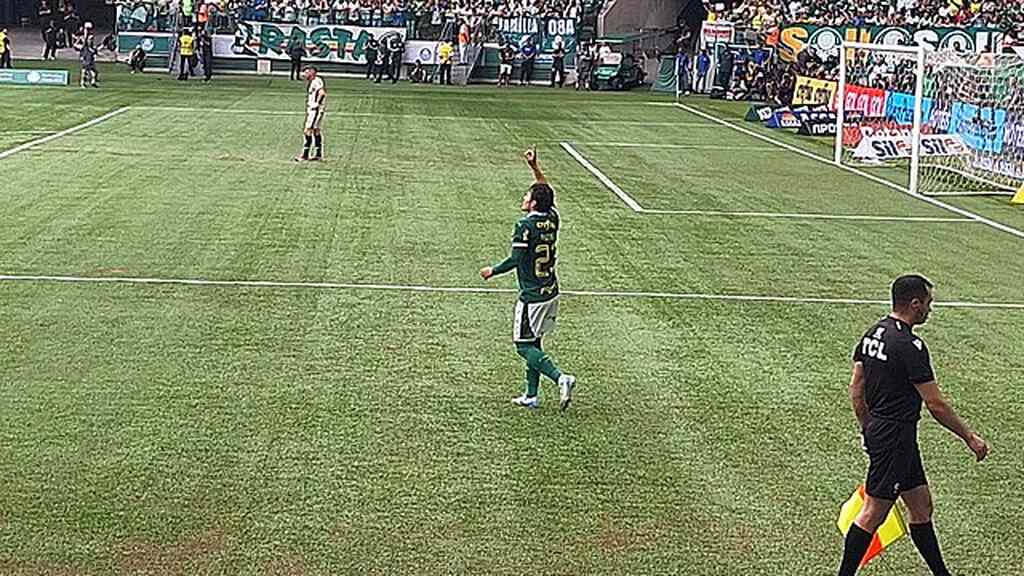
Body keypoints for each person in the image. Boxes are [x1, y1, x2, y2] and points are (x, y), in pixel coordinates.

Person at [837, 275, 990, 576]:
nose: (930, 310)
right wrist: (969, 437)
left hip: (891, 433)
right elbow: (935, 403)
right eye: (928, 303)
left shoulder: (873, 333)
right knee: (873, 513)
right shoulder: (910, 345)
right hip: (894, 435)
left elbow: (857, 386)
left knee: (921, 507)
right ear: (914, 304)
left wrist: (867, 426)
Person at [479, 147, 577, 412]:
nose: (524, 197)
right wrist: (535, 166)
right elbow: (546, 190)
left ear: (533, 203)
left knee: (523, 346)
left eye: (528, 195)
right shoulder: (552, 218)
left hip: (532, 296)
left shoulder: (525, 226)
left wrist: (492, 270)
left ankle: (561, 378)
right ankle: (531, 395)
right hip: (551, 291)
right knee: (535, 341)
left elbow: (516, 260)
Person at [295, 66, 326, 162]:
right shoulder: (316, 81)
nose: (304, 74)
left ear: (312, 73)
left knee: (307, 130)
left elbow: (322, 93)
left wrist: (316, 104)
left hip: (314, 110)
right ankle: (318, 154)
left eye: (306, 72)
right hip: (315, 110)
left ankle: (305, 155)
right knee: (316, 130)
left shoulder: (316, 81)